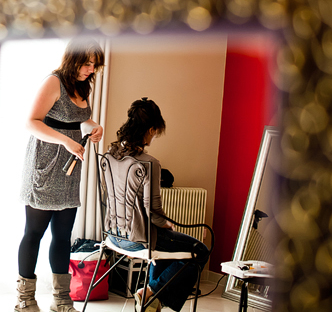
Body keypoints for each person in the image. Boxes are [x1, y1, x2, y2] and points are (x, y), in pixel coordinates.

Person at [15, 38, 106, 312]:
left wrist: (93, 125)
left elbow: (75, 119)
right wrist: (65, 141)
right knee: (34, 233)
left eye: (94, 65)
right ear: (73, 58)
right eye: (87, 63)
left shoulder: (82, 84)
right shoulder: (54, 81)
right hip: (44, 164)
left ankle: (62, 300)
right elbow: (31, 122)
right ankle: (25, 299)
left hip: (69, 169)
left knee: (63, 234)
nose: (90, 69)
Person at [106, 98, 210, 312]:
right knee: (200, 250)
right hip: (138, 239)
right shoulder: (149, 163)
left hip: (113, 234)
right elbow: (153, 213)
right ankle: (151, 293)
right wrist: (168, 225)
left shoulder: (111, 155)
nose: (153, 137)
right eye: (154, 132)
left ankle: (152, 302)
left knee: (165, 243)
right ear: (151, 129)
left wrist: (163, 225)